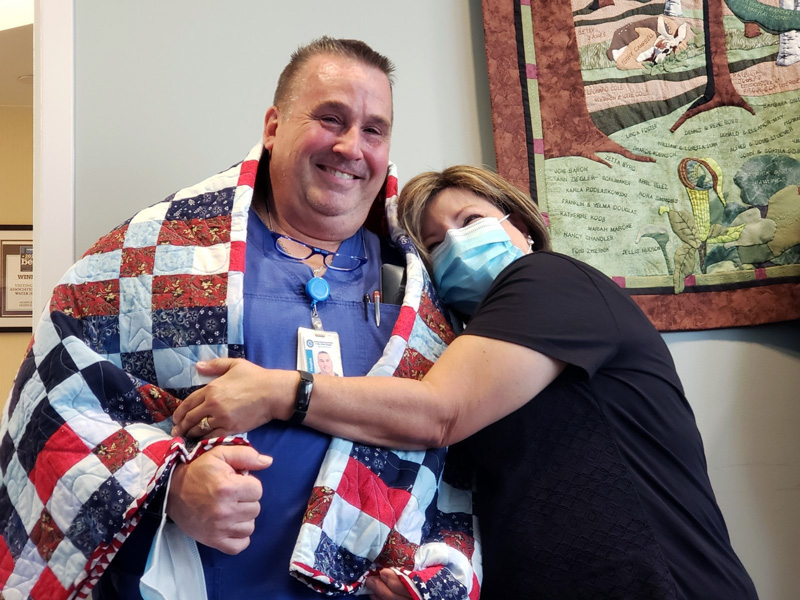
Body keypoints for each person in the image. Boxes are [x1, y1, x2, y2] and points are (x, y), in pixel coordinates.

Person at [0, 38, 479, 600]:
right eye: (331, 118)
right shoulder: (155, 253)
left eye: (374, 130)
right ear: (273, 127)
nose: (352, 147)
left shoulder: (419, 286)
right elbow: (51, 410)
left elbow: (459, 463)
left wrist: (431, 578)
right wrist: (170, 487)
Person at [173, 165, 760, 599]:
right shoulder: (462, 351)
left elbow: (438, 412)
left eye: (471, 221)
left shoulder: (551, 280)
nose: (455, 245)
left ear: (521, 227)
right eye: (434, 244)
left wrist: (282, 391)